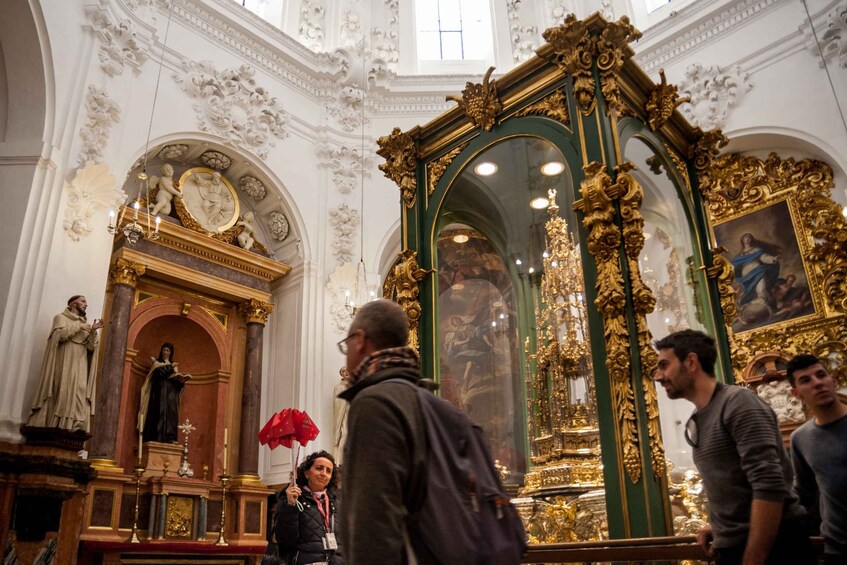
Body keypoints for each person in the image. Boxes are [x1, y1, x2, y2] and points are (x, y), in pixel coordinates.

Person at [653, 329, 815, 565]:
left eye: (664, 365)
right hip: (737, 548)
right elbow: (734, 488)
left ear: (691, 362)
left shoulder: (739, 404)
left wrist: (753, 558)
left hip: (775, 549)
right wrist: (720, 529)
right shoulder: (701, 416)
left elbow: (769, 485)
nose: (658, 375)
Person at [337, 299, 429, 564]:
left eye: (346, 345)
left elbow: (373, 518)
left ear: (359, 340)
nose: (346, 354)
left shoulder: (375, 402)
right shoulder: (427, 398)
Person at [787, 354, 847, 564]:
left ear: (833, 380)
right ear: (795, 394)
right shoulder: (801, 438)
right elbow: (802, 493)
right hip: (838, 549)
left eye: (821, 375)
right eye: (806, 380)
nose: (817, 383)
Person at [27, 295, 103, 432]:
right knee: (63, 389)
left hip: (81, 361)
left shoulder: (86, 324)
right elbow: (59, 336)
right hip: (65, 359)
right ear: (74, 304)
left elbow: (91, 347)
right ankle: (57, 424)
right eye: (83, 301)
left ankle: (74, 425)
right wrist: (79, 326)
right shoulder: (60, 318)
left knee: (80, 390)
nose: (86, 304)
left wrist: (93, 331)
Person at [275, 450, 344, 565]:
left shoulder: (336, 502)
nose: (323, 473)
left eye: (328, 471)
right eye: (319, 468)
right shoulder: (294, 498)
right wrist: (290, 506)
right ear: (306, 473)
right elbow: (285, 539)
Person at [138, 342, 191, 443]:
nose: (165, 352)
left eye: (168, 350)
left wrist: (181, 381)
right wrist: (170, 367)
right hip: (159, 393)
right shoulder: (157, 363)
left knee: (172, 415)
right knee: (159, 414)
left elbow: (176, 381)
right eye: (164, 350)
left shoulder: (174, 365)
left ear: (171, 353)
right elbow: (159, 374)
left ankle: (170, 437)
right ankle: (156, 437)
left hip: (171, 395)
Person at [730, 233, 781, 307]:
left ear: (752, 239)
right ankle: (751, 305)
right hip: (746, 275)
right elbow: (733, 265)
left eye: (749, 237)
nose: (748, 238)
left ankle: (763, 304)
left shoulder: (757, 250)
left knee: (762, 289)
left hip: (758, 271)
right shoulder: (740, 255)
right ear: (742, 240)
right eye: (746, 237)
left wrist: (773, 259)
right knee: (750, 292)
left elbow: (764, 257)